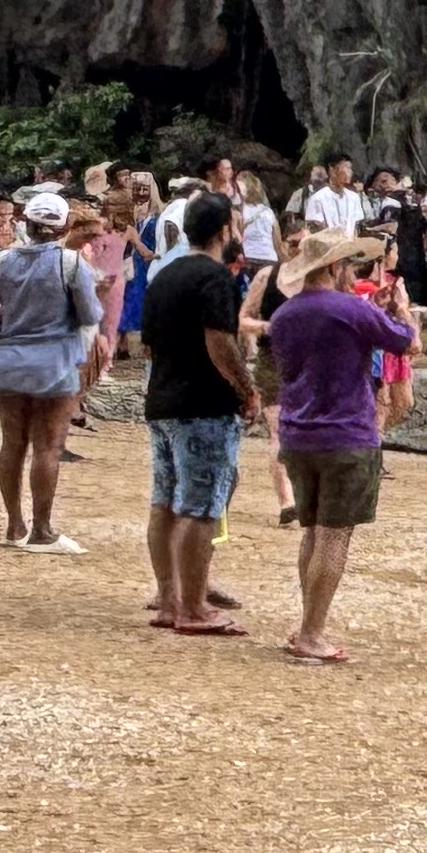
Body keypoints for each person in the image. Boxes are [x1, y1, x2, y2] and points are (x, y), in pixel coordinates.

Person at [260, 230, 414, 664]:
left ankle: (307, 623)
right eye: (347, 264)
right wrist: (400, 308)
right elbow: (405, 341)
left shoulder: (284, 314)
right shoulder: (351, 309)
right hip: (346, 433)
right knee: (334, 534)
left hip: (298, 432)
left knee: (312, 530)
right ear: (334, 267)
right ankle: (312, 632)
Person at [138, 193, 256, 631]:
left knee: (164, 502)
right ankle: (193, 607)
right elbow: (219, 341)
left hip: (163, 399)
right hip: (203, 404)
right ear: (225, 230)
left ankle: (169, 598)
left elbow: (148, 344)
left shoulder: (162, 277)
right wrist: (246, 389)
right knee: (201, 506)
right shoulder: (216, 278)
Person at [0, 189, 102, 552]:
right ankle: (42, 529)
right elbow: (90, 314)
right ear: (62, 228)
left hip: (10, 361)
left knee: (12, 443)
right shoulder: (71, 264)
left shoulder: (1, 261)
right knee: (47, 446)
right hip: (54, 363)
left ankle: (14, 525)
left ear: (26, 224)